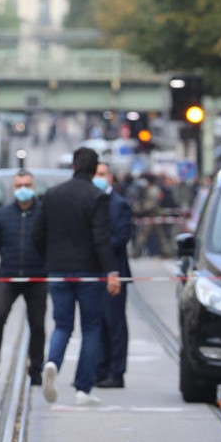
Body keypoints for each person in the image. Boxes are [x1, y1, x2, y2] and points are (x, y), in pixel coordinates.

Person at [32, 147, 122, 406]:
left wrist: (50, 258)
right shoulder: (97, 197)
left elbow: (37, 235)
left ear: (73, 166)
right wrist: (111, 272)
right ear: (95, 170)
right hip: (89, 273)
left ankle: (52, 363)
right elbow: (101, 239)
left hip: (58, 270)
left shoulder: (52, 195)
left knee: (62, 325)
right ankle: (83, 388)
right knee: (91, 328)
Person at [0, 169, 47, 386]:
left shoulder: (43, 214)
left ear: (33, 188)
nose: (23, 190)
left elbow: (53, 245)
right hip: (9, 277)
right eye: (18, 186)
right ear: (13, 188)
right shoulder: (3, 214)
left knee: (37, 325)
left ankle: (35, 370)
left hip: (37, 278)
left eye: (27, 185)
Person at [95, 163, 133, 389]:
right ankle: (100, 370)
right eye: (95, 174)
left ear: (110, 178)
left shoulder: (119, 205)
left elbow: (120, 238)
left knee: (114, 323)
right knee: (97, 324)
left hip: (115, 273)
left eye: (102, 174)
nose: (98, 178)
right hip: (94, 274)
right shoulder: (91, 201)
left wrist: (96, 246)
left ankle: (116, 372)